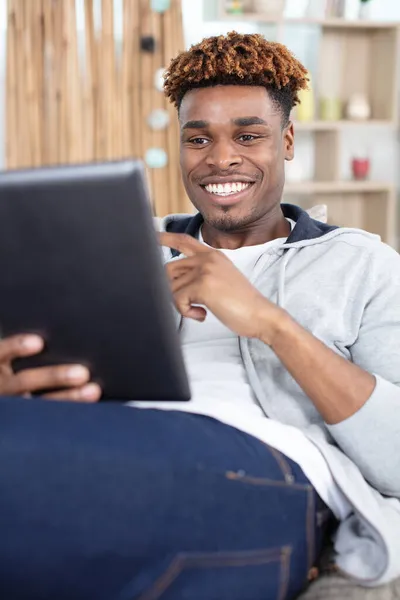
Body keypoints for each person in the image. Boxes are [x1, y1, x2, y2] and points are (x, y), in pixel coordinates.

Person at [0, 31, 399, 600]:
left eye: (248, 135)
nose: (220, 158)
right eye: (198, 139)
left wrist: (268, 321)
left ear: (286, 141)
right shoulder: (123, 247)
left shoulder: (362, 263)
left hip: (266, 473)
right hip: (113, 439)